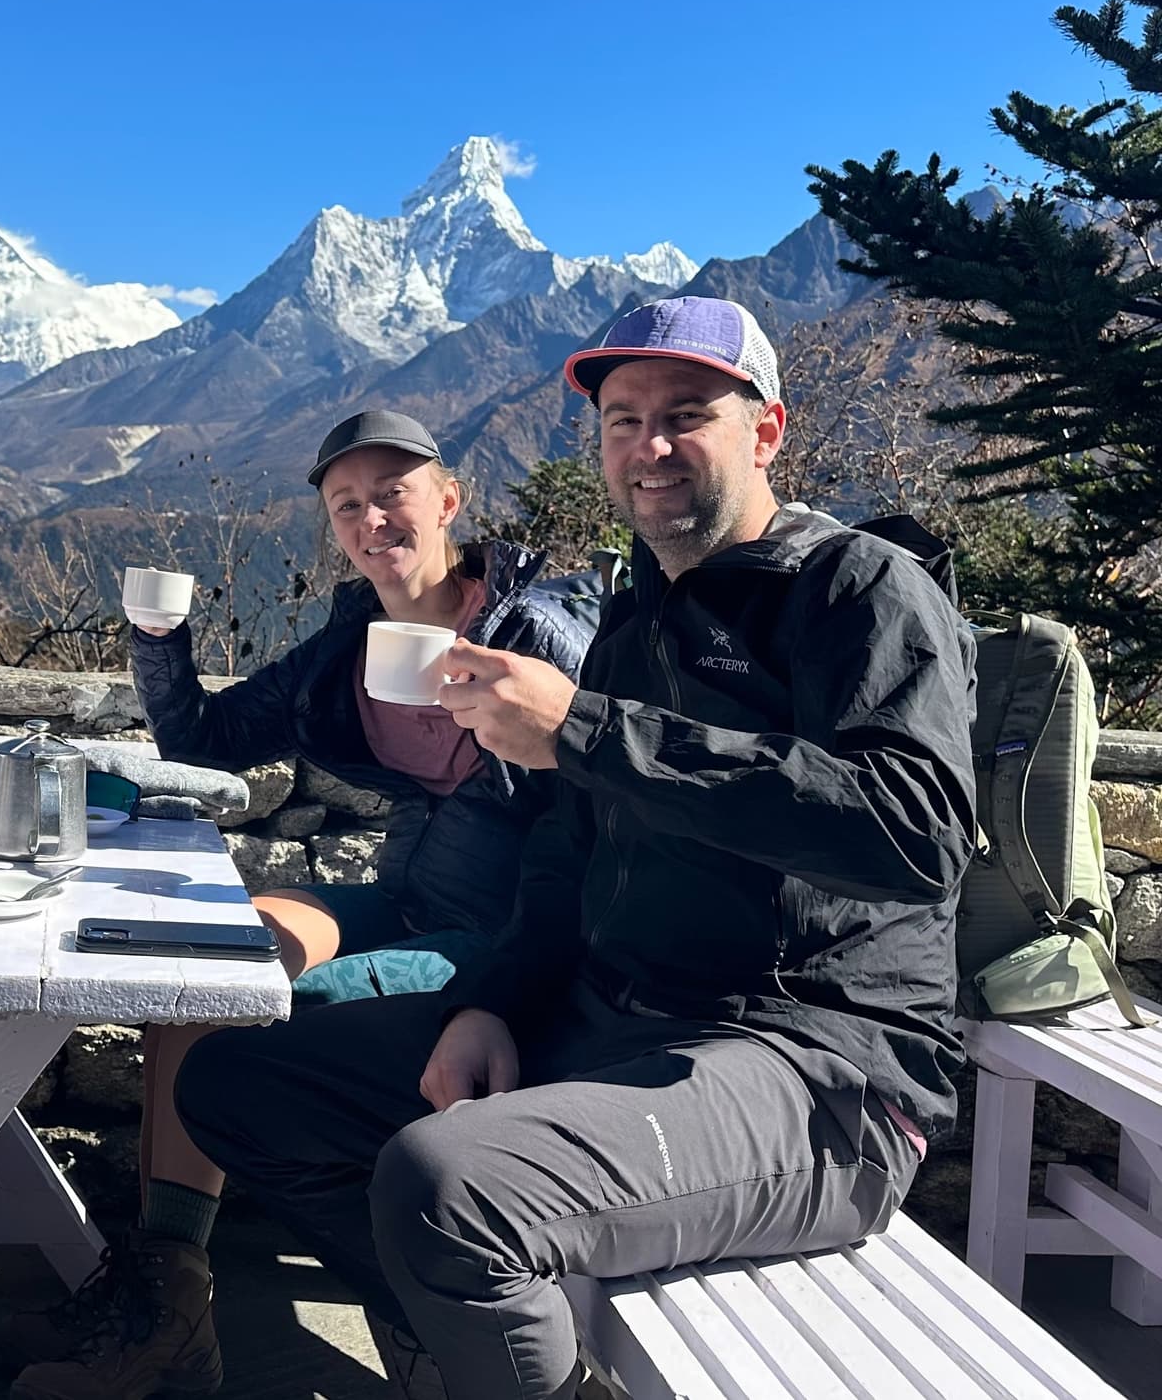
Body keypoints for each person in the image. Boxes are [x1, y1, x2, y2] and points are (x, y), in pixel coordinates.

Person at [173, 297, 981, 1400]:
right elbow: (566, 854)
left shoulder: (861, 590)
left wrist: (589, 732)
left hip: (815, 1068)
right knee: (237, 1083)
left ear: (766, 431)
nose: (650, 447)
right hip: (613, 1019)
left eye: (685, 415)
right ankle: (461, 1345)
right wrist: (491, 1001)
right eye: (622, 420)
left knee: (446, 1187)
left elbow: (914, 829)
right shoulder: (634, 622)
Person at [9, 409, 602, 1400]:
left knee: (279, 1013)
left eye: (392, 495)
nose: (372, 520)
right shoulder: (350, 645)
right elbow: (205, 739)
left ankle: (217, 1311)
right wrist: (158, 636)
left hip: (504, 938)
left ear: (448, 502)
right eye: (347, 505)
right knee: (209, 967)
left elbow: (600, 799)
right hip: (408, 899)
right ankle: (167, 1297)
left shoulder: (533, 633)